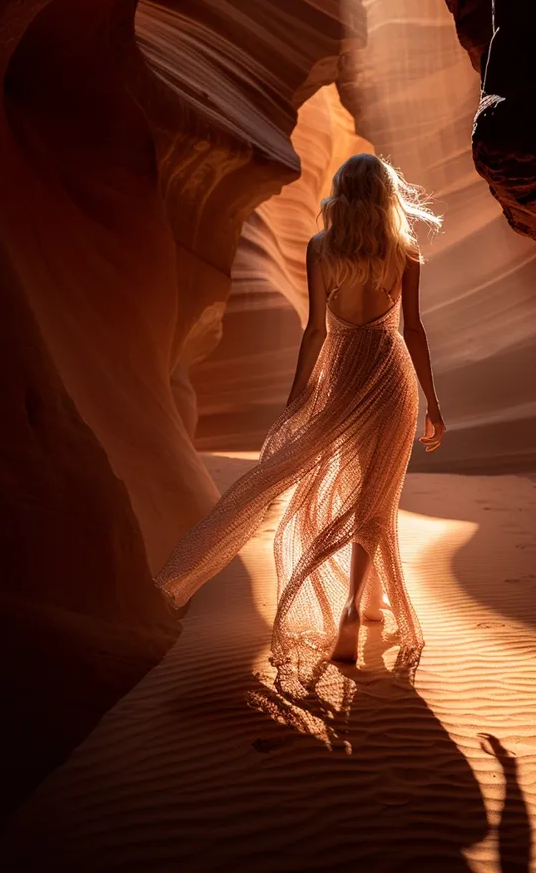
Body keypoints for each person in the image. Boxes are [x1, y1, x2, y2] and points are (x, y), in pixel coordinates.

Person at [155, 153, 445, 679]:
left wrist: (297, 398)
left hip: (342, 374)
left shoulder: (322, 249)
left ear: (343, 193)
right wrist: (434, 402)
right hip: (390, 375)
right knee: (377, 497)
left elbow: (315, 330)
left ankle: (364, 607)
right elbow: (414, 331)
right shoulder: (405, 252)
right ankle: (358, 607)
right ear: (384, 195)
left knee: (341, 489)